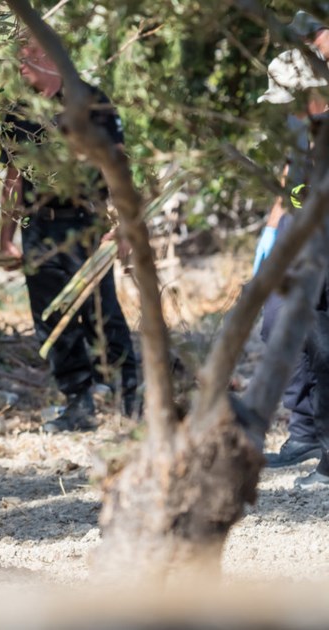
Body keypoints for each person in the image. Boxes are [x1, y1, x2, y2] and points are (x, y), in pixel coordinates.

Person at [0, 37, 139, 432]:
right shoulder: (17, 109)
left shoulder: (90, 100)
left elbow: (116, 165)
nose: (19, 63)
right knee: (50, 316)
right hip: (38, 225)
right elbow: (13, 177)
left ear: (47, 54)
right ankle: (78, 401)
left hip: (85, 223)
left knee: (99, 311)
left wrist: (124, 226)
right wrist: (6, 236)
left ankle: (132, 398)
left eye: (25, 55)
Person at [255, 17, 329, 486]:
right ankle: (306, 432)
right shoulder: (299, 123)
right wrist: (273, 230)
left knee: (321, 339)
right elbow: (292, 175)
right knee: (278, 322)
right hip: (300, 234)